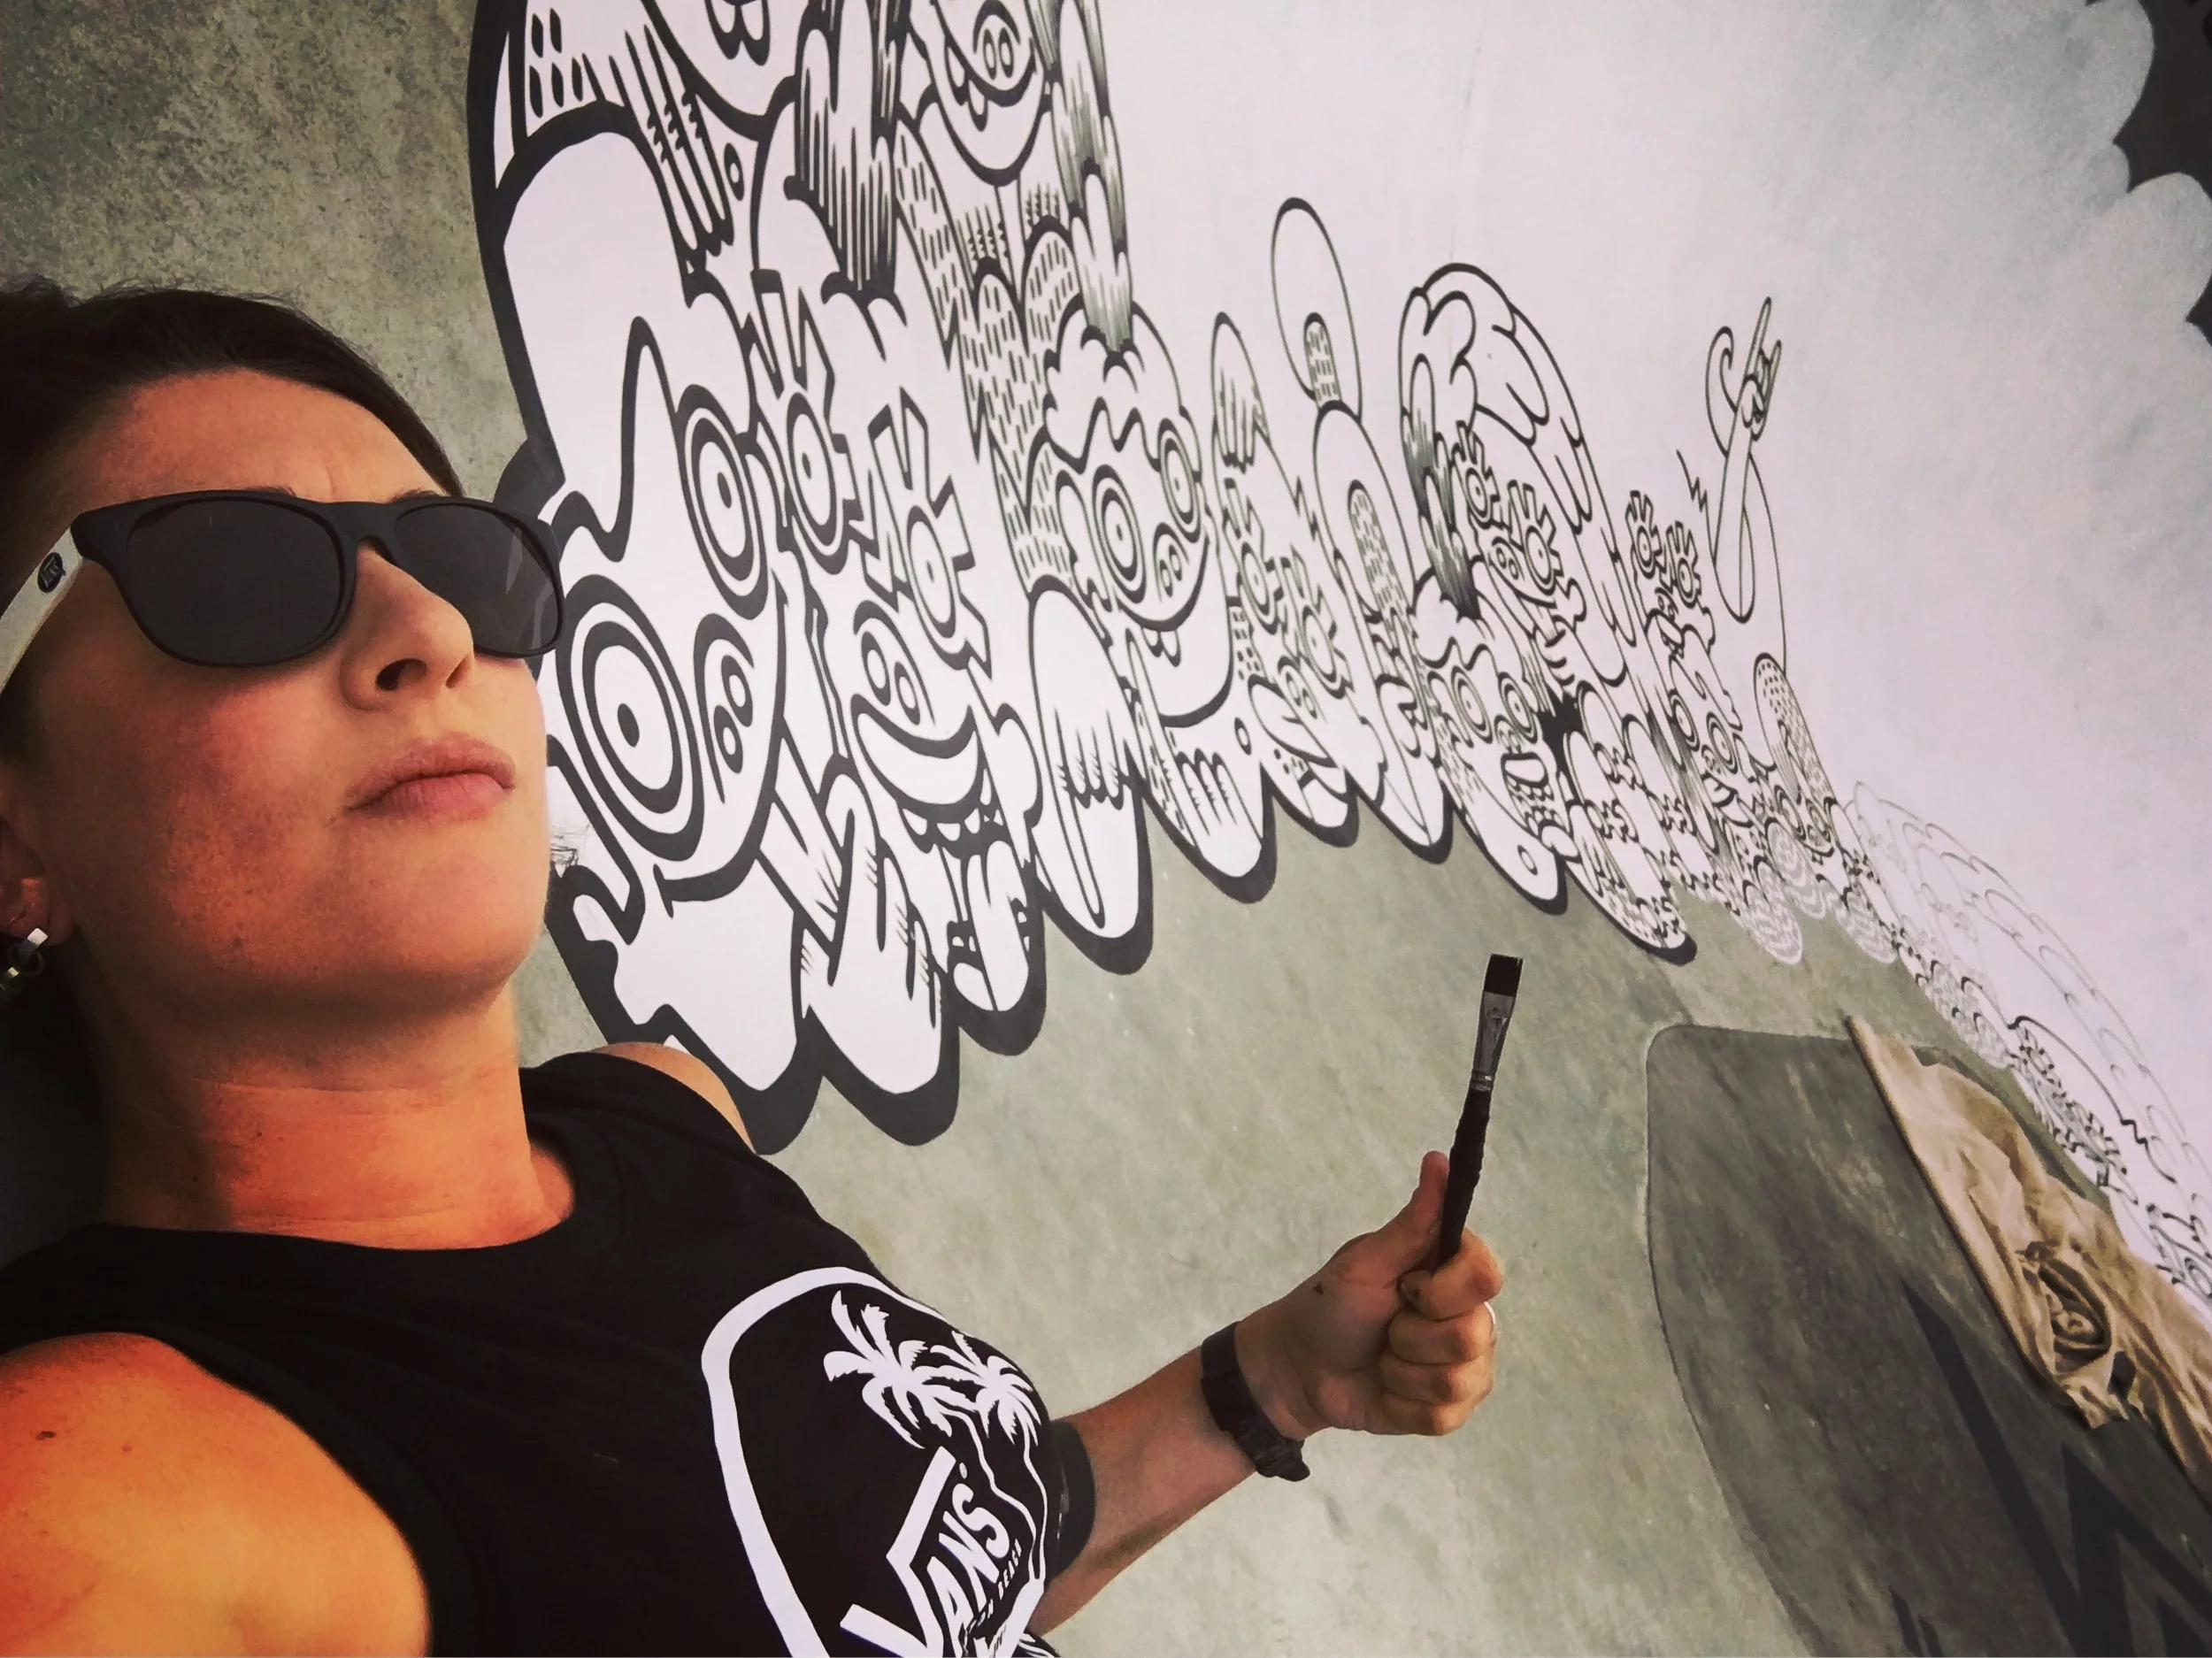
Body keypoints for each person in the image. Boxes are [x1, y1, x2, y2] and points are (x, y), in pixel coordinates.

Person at [0, 281, 1503, 1656]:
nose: (429, 628)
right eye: (237, 569)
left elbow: (933, 1586)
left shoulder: (664, 1110)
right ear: (18, 828)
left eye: (457, 553)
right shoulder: (100, 1510)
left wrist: (1272, 1381)